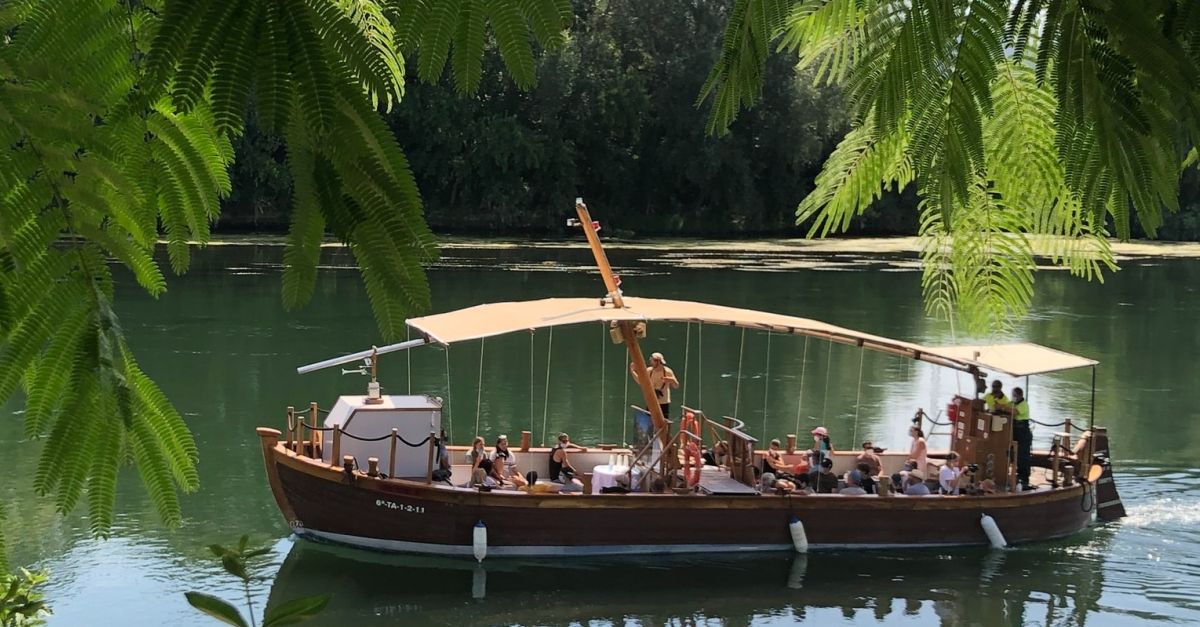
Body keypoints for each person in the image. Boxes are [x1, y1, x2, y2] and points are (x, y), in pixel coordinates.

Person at [632, 351, 680, 419]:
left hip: (663, 402)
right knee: (650, 421)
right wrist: (633, 371)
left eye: (652, 361)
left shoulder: (667, 372)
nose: (651, 362)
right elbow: (640, 381)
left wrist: (672, 380)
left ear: (658, 362)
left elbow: (676, 386)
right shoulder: (649, 371)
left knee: (664, 421)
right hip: (651, 401)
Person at [1011, 386, 1033, 490]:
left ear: (1019, 396)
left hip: (1023, 433)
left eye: (1015, 395)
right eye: (1013, 395)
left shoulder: (1023, 405)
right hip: (1015, 433)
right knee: (1014, 453)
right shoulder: (1014, 403)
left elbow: (1015, 412)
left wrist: (1003, 407)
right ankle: (1016, 474)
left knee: (1023, 455)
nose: (1013, 397)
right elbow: (1007, 407)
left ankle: (1024, 478)